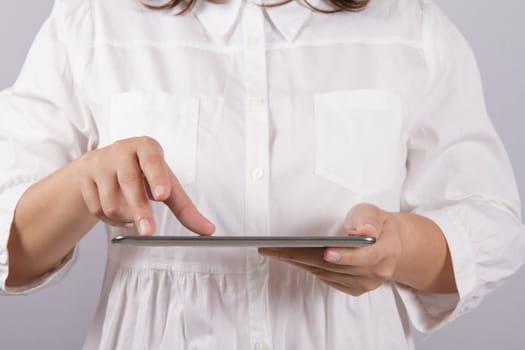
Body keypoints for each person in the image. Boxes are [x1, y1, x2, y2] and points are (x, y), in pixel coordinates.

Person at [1, 0, 524, 348]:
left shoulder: (410, 26)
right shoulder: (96, 20)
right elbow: (9, 245)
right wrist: (83, 186)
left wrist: (400, 248)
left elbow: (493, 224)